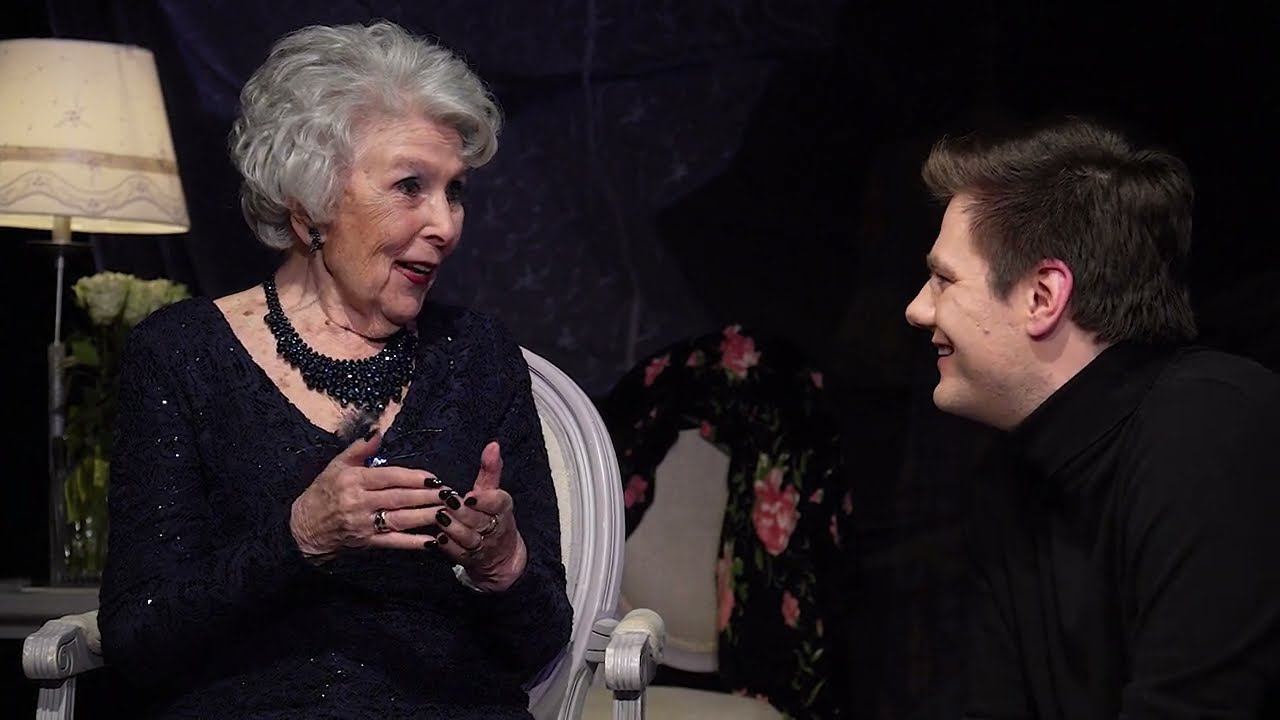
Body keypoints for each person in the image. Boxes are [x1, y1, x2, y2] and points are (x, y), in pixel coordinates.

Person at [98, 21, 571, 718]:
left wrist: (503, 564)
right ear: (309, 203)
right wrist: (301, 537)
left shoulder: (477, 354)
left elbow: (543, 639)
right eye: (410, 186)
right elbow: (137, 640)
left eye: (455, 191)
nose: (446, 225)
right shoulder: (180, 354)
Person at [904, 117, 1280, 717]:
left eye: (943, 280)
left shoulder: (1215, 430)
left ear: (1043, 296)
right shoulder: (1009, 482)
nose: (917, 309)